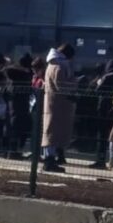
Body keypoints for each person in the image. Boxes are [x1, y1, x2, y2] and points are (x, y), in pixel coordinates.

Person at [41, 44, 77, 173]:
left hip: (52, 102)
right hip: (59, 103)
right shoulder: (60, 66)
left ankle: (49, 159)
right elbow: (61, 85)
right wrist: (75, 84)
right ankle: (49, 161)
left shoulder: (52, 64)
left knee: (50, 131)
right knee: (53, 132)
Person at [93, 60, 113, 168]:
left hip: (104, 108)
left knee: (102, 135)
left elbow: (97, 91)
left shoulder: (107, 77)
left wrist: (99, 83)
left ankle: (100, 160)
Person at [4, 54, 34, 159]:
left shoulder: (13, 75)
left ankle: (10, 151)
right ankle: (14, 151)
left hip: (13, 104)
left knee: (13, 128)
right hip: (21, 104)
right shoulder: (23, 76)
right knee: (20, 128)